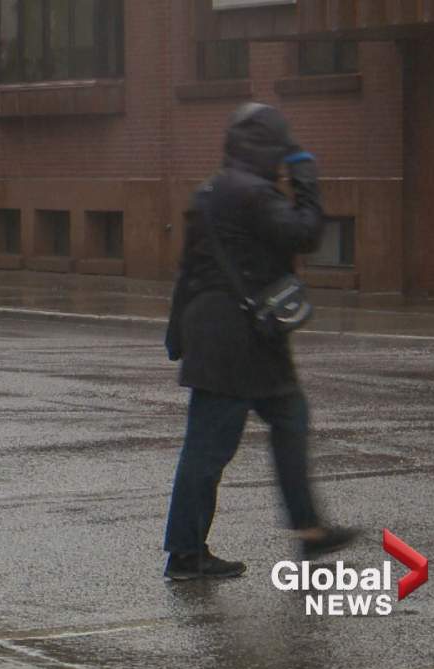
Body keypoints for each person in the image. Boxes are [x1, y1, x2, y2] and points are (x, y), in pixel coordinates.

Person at [162, 102, 357, 581]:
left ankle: (308, 529)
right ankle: (186, 553)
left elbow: (189, 270)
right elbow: (305, 235)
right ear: (268, 148)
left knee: (288, 417)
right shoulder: (250, 193)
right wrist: (307, 180)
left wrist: (176, 330)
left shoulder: (213, 190)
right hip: (239, 339)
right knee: (209, 448)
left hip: (226, 333)